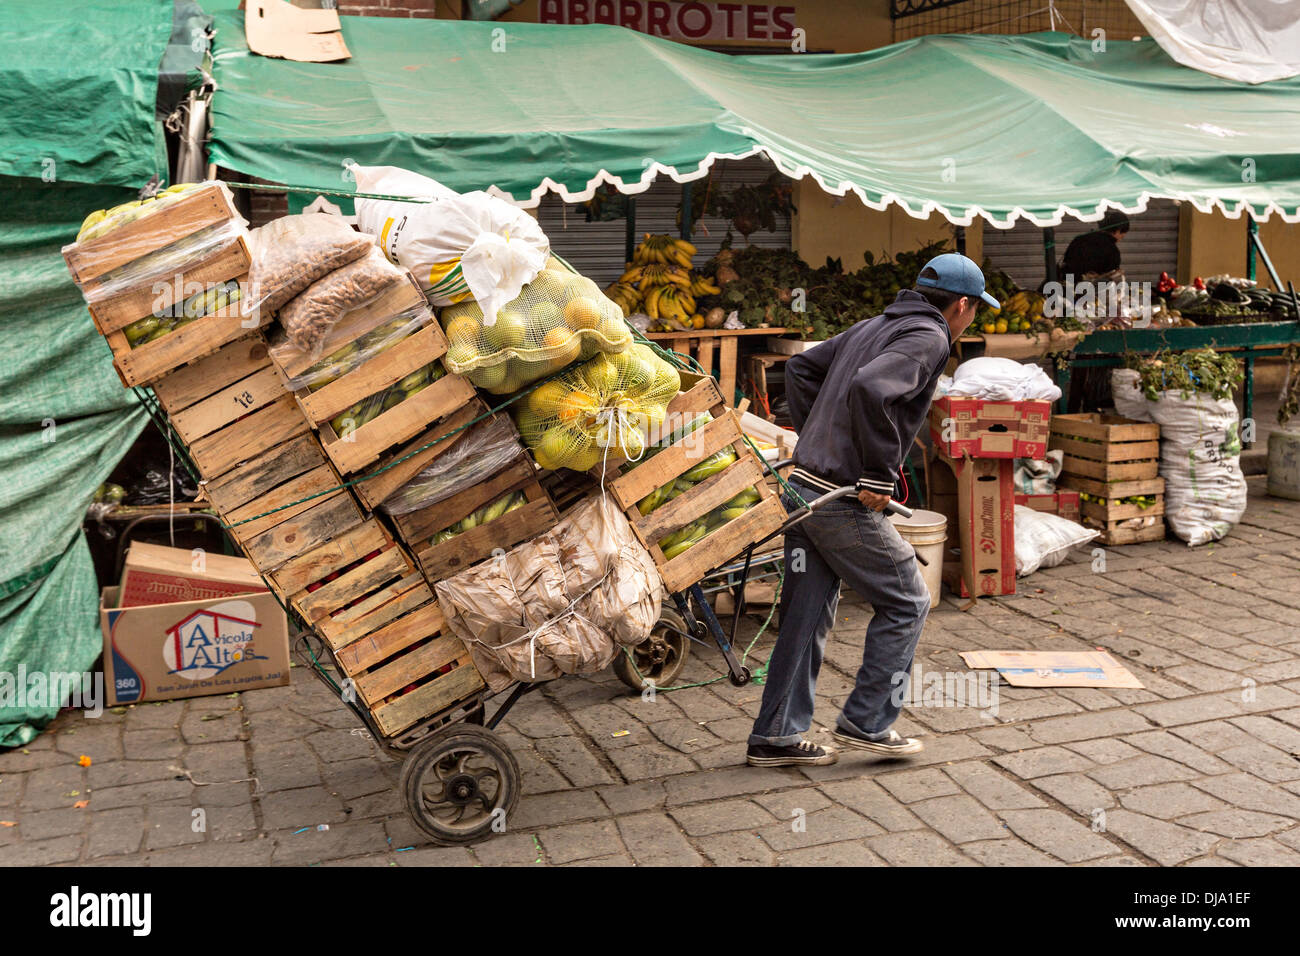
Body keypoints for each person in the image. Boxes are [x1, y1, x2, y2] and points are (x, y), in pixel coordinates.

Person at [746, 253, 995, 767]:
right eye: (974, 312)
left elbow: (801, 367)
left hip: (805, 487)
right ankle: (869, 722)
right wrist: (877, 473)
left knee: (805, 613)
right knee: (907, 599)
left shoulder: (873, 325)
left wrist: (821, 432)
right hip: (842, 497)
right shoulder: (930, 337)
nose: (970, 320)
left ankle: (776, 735)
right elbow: (871, 388)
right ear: (962, 305)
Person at [1060, 209, 1130, 281]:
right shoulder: (1112, 250)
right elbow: (1108, 280)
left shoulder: (1078, 240)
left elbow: (1066, 264)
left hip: (1066, 287)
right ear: (1118, 231)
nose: (1119, 240)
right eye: (1122, 237)